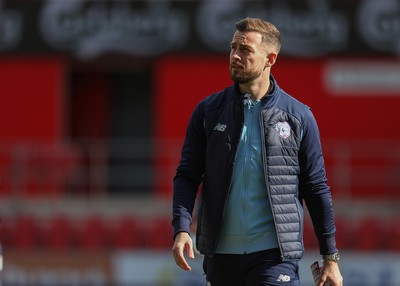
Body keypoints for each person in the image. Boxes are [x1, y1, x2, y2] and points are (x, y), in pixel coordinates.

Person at [171, 17, 343, 286]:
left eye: (246, 50)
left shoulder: (298, 116)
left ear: (270, 59)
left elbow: (316, 187)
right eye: (233, 47)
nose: (235, 56)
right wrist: (181, 228)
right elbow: (187, 176)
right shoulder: (208, 111)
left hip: (274, 257)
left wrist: (330, 257)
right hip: (220, 256)